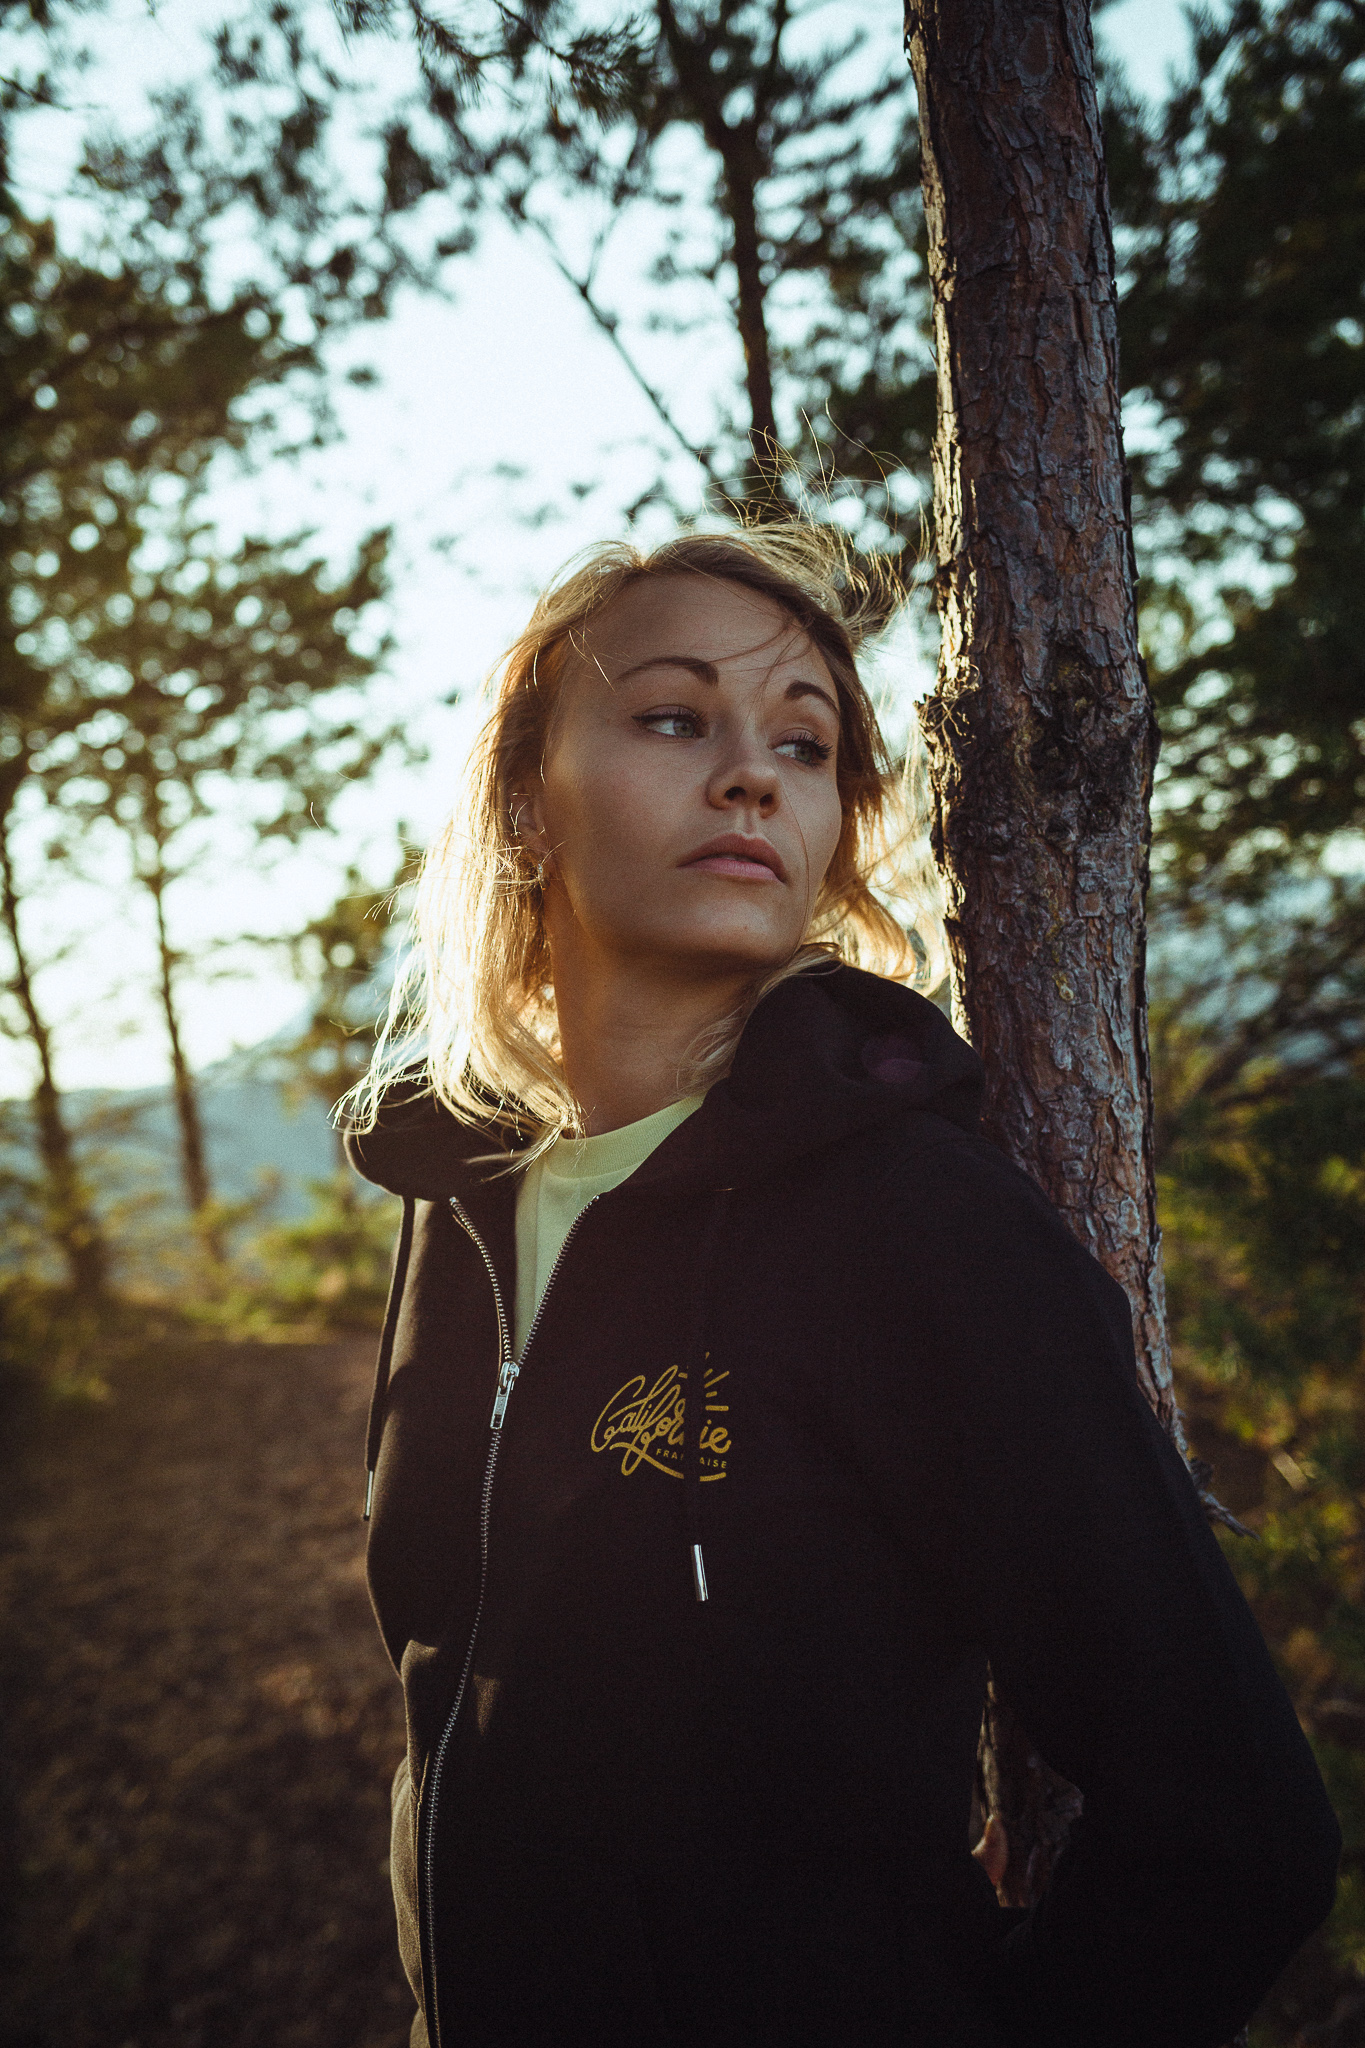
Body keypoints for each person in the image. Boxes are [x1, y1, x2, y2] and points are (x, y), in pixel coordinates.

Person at [344, 526, 1339, 2048]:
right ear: (525, 800)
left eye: (802, 745)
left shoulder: (911, 1223)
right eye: (673, 717)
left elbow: (1233, 1818)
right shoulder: (461, 1199)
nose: (752, 776)